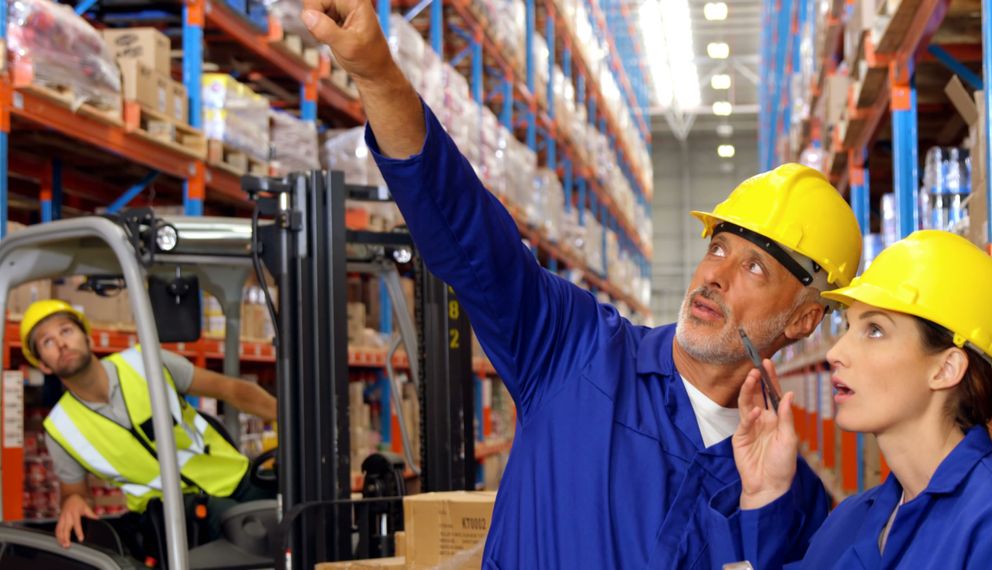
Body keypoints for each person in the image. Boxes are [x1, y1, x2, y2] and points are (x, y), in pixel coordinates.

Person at [300, 2, 863, 566]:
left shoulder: (793, 498)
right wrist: (376, 72)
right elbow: (464, 229)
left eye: (754, 268)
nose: (715, 274)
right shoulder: (576, 350)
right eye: (717, 247)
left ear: (802, 320)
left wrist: (764, 508)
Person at [727, 230, 992, 568]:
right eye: (849, 328)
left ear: (946, 369)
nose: (835, 352)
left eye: (875, 330)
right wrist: (764, 495)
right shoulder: (854, 519)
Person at [21, 300, 279, 550]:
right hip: (169, 507)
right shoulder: (60, 428)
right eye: (48, 342)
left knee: (291, 508)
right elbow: (74, 492)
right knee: (248, 531)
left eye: (66, 331)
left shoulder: (146, 362)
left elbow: (230, 389)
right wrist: (72, 500)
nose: (62, 344)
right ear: (43, 364)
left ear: (87, 337)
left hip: (232, 474)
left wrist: (287, 418)